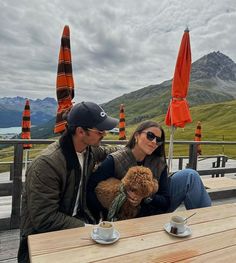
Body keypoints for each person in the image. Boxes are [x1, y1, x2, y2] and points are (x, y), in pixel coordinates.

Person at [18, 101, 119, 263]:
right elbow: (45, 219)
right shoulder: (47, 164)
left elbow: (111, 152)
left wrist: (135, 147)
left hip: (78, 226)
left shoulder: (89, 150)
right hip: (42, 240)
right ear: (80, 132)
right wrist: (91, 229)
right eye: (100, 131)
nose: (105, 134)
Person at [87, 120, 211, 221]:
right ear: (136, 135)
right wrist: (106, 212)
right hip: (123, 217)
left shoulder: (159, 163)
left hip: (154, 212)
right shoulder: (115, 160)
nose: (154, 142)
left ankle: (205, 221)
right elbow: (90, 188)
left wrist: (145, 197)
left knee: (190, 175)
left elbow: (166, 201)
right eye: (150, 136)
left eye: (158, 140)